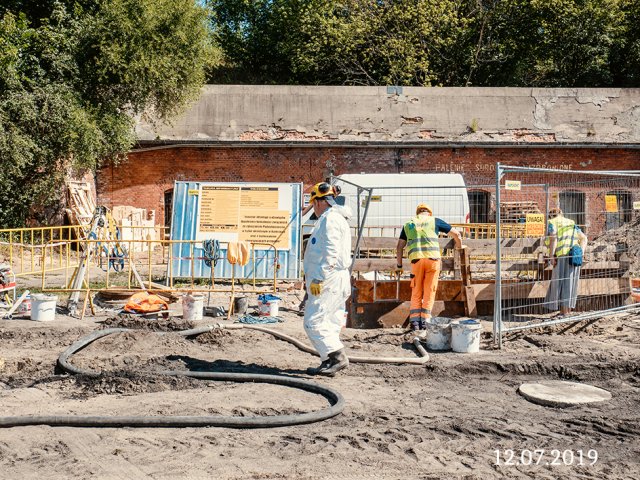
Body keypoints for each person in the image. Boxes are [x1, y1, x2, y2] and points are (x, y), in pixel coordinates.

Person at [303, 182, 352, 376]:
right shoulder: (335, 218)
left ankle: (338, 357)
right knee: (330, 322)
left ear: (319, 202)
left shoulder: (330, 219)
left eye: (314, 203)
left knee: (312, 322)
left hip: (328, 279)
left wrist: (319, 278)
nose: (313, 207)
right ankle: (328, 361)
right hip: (335, 278)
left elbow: (330, 252)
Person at [396, 203, 462, 331]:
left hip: (416, 262)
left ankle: (415, 323)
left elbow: (399, 246)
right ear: (429, 213)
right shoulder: (434, 221)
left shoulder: (409, 224)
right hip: (432, 261)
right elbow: (457, 235)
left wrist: (399, 265)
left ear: (417, 213)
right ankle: (425, 321)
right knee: (429, 290)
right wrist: (460, 247)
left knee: (416, 290)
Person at [545, 207, 587, 316]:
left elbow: (553, 238)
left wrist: (551, 256)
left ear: (550, 216)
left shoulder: (552, 222)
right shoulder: (571, 222)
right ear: (562, 214)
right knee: (570, 283)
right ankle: (567, 311)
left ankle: (563, 313)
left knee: (560, 283)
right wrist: (581, 253)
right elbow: (584, 238)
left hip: (562, 256)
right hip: (574, 256)